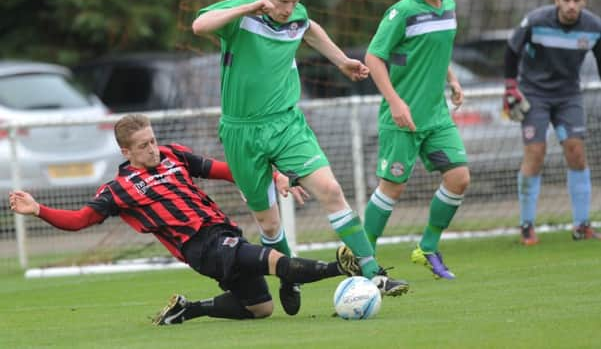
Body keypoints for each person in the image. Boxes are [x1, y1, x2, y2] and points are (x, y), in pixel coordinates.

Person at [191, 0, 409, 302]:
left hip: (287, 124)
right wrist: (248, 8)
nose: (288, 9)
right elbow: (200, 26)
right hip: (241, 132)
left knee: (331, 189)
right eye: (281, 2)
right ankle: (288, 276)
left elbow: (310, 28)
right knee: (269, 224)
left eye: (294, 2)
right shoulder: (241, 10)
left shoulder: (296, 15)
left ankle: (373, 272)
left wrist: (341, 61)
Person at [8, 114, 360, 324]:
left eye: (153, 140)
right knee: (273, 260)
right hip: (201, 246)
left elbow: (227, 171)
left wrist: (275, 174)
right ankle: (342, 267)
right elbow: (80, 220)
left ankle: (189, 310)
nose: (153, 148)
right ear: (125, 152)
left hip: (222, 232)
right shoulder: (118, 189)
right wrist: (38, 210)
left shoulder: (175, 155)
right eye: (143, 145)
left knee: (260, 309)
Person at [361, 0, 470, 280]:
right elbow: (373, 57)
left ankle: (428, 247)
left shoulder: (449, 6)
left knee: (459, 178)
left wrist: (452, 80)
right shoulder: (402, 12)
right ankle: (363, 260)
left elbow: (436, 52)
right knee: (391, 189)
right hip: (402, 119)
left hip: (436, 117)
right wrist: (395, 102)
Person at [503, 0, 601, 245]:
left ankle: (582, 225)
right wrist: (511, 88)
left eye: (576, 1)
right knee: (536, 153)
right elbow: (511, 51)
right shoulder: (536, 20)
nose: (571, 5)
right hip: (533, 94)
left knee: (577, 152)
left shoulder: (593, 27)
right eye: (566, 0)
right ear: (556, 0)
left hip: (569, 95)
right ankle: (527, 225)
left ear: (584, 2)